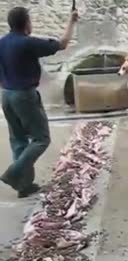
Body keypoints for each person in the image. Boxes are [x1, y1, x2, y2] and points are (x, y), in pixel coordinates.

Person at [0, 7, 78, 198]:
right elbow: (63, 44)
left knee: (18, 140)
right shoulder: (28, 43)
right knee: (41, 139)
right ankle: (15, 172)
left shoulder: (1, 43)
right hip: (24, 96)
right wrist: (72, 21)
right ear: (26, 23)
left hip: (6, 94)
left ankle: (24, 186)